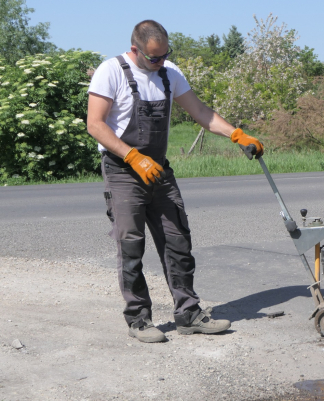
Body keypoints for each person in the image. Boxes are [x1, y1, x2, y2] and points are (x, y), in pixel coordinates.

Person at [87, 20, 263, 343]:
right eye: (154, 58)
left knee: (178, 240)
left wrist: (236, 134)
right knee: (131, 245)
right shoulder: (110, 71)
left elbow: (200, 112)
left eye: (165, 55)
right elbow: (95, 125)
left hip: (158, 171)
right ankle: (139, 319)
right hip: (124, 171)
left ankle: (188, 313)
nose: (160, 62)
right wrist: (132, 157)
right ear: (136, 49)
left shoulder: (169, 73)